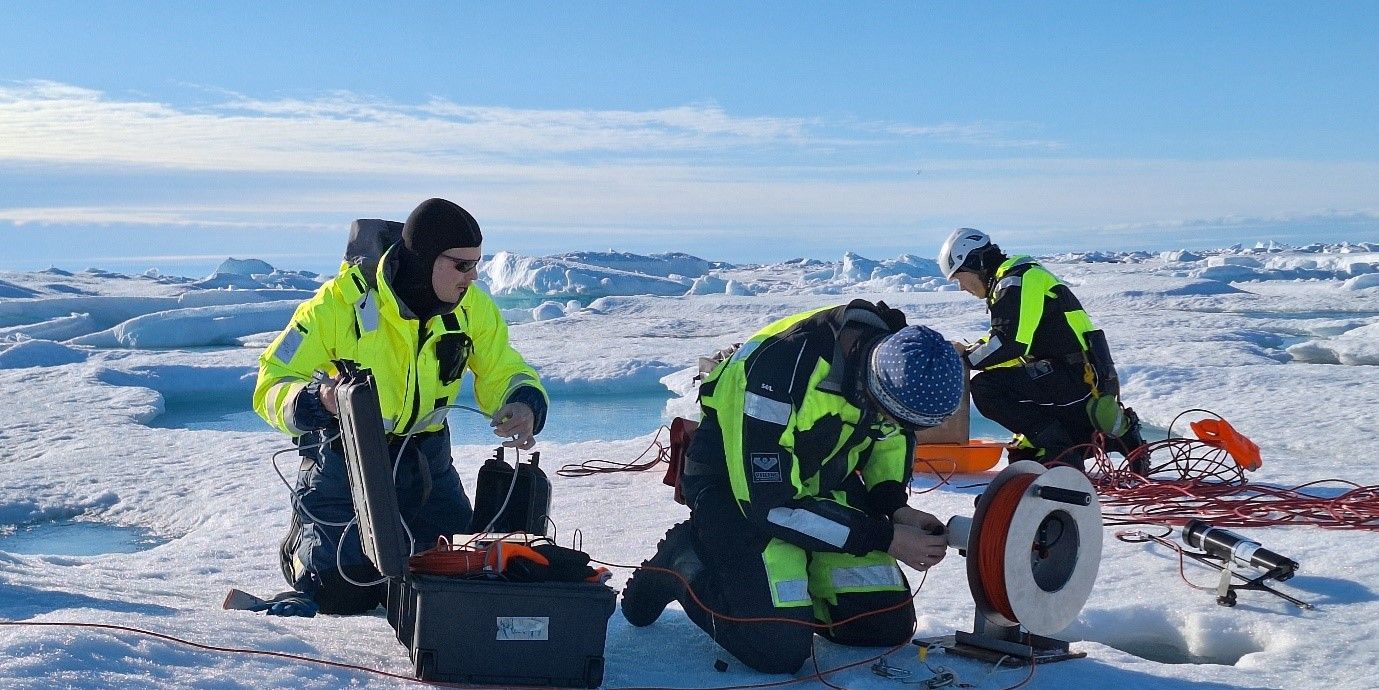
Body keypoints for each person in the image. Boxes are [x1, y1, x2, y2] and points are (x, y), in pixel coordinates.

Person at [620, 300, 964, 675]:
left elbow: (889, 439)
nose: (889, 422)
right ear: (870, 377)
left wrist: (895, 506)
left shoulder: (895, 361)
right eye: (887, 412)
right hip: (738, 494)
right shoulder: (779, 371)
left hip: (819, 484)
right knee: (777, 649)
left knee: (882, 626)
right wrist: (883, 537)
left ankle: (795, 583)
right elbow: (770, 504)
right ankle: (684, 561)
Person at [252, 198, 548, 616]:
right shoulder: (338, 304)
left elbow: (503, 366)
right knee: (344, 592)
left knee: (451, 573)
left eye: (476, 265)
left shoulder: (472, 308)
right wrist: (316, 400)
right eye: (461, 265)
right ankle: (305, 542)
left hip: (426, 460)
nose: (472, 277)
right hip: (346, 459)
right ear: (426, 259)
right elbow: (271, 380)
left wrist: (522, 402)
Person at [936, 227, 1147, 470]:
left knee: (986, 388)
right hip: (1078, 378)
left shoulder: (1016, 281)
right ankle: (1112, 438)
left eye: (959, 277)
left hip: (1076, 380)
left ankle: (1062, 449)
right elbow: (1015, 350)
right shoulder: (1017, 279)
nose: (962, 287)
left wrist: (966, 358)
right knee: (1022, 459)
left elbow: (1010, 343)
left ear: (975, 263)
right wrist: (972, 351)